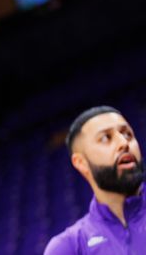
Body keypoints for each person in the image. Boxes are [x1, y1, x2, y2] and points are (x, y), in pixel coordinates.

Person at [45, 106, 145, 254]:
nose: (124, 142)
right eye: (105, 138)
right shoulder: (69, 246)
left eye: (128, 134)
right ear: (81, 163)